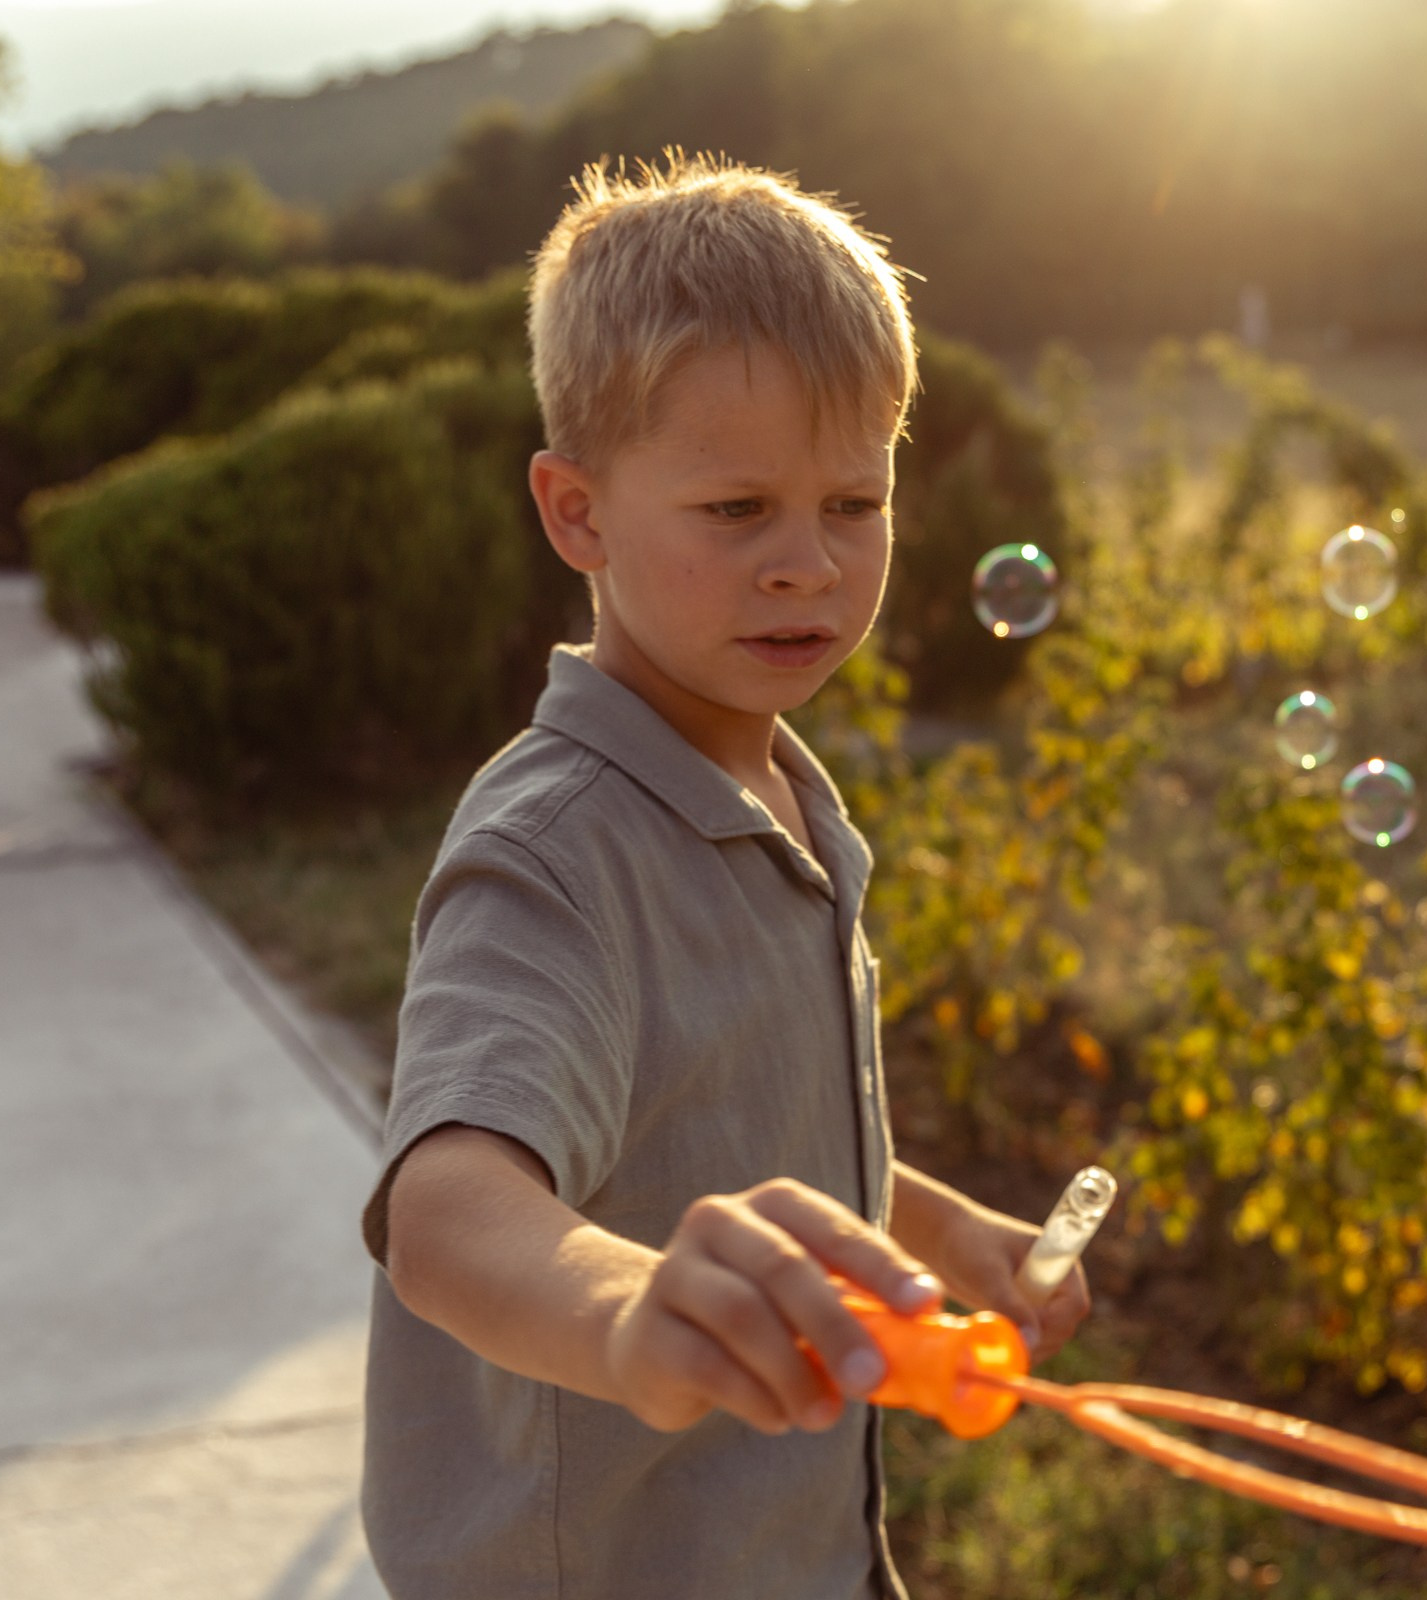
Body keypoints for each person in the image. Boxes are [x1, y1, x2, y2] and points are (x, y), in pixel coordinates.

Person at [360, 155, 1093, 1600]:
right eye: (736, 509)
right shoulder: (557, 849)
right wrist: (633, 1310)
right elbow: (448, 1203)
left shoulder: (774, 791)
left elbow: (749, 1120)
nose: (808, 566)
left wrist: (952, 1236)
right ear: (578, 516)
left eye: (853, 503)